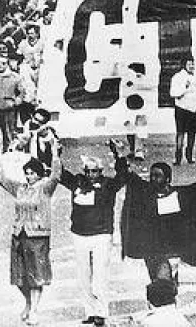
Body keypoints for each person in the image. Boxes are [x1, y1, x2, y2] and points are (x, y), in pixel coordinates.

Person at [59, 140, 130, 327]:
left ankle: (101, 312)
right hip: (79, 234)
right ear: (84, 171)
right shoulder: (77, 182)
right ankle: (89, 311)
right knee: (83, 275)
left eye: (95, 171)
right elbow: (58, 174)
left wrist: (119, 155)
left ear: (101, 171)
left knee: (100, 275)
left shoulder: (108, 185)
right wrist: (54, 151)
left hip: (101, 234)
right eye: (88, 171)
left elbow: (123, 176)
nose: (92, 175)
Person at [120, 161, 196, 289]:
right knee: (157, 282)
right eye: (151, 175)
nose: (153, 179)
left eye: (158, 176)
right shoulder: (146, 193)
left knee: (164, 283)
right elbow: (132, 179)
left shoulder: (180, 195)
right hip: (152, 250)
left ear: (168, 179)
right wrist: (120, 158)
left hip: (172, 251)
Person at [0, 139, 63, 325]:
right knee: (19, 276)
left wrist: (55, 154)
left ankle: (34, 309)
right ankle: (27, 303)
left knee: (36, 275)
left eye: (32, 173)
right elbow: (3, 180)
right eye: (26, 173)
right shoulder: (20, 188)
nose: (29, 176)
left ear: (39, 174)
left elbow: (56, 175)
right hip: (19, 234)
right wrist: (3, 158)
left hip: (37, 236)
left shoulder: (45, 188)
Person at [169, 56, 196, 165]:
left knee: (192, 133)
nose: (192, 66)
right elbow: (173, 93)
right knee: (180, 133)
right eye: (189, 64)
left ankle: (189, 156)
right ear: (184, 65)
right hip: (182, 109)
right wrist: (185, 87)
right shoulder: (177, 77)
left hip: (194, 109)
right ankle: (178, 157)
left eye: (193, 64)